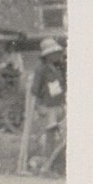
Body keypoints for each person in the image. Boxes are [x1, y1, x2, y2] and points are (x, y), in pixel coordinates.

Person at [30, 37, 67, 170]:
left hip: (59, 104)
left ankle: (56, 162)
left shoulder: (59, 67)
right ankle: (47, 162)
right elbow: (35, 89)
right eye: (53, 53)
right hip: (48, 105)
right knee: (50, 133)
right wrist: (39, 105)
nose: (56, 55)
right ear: (47, 55)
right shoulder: (42, 69)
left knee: (61, 133)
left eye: (57, 53)